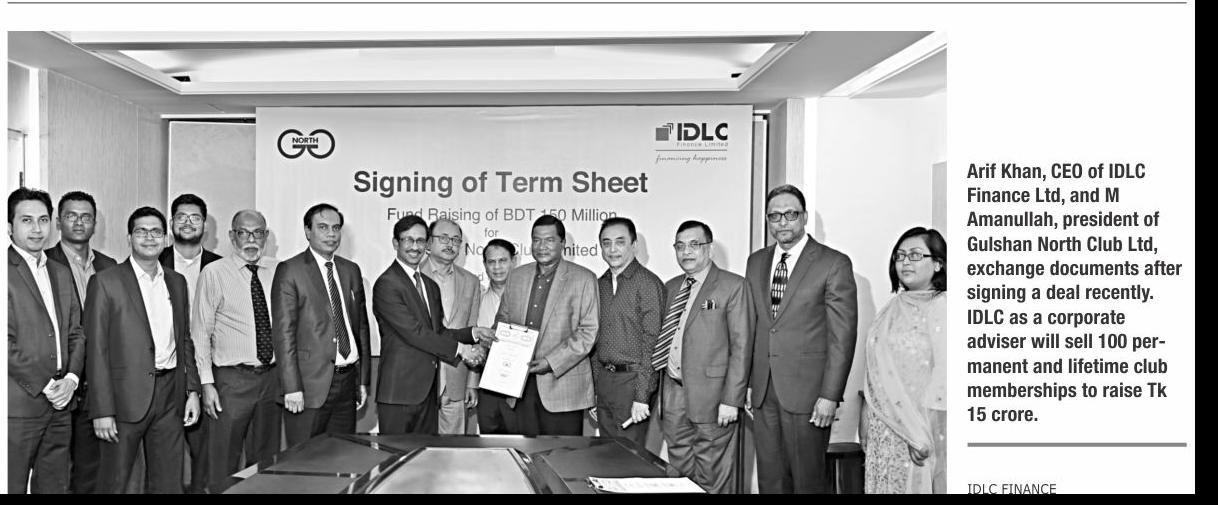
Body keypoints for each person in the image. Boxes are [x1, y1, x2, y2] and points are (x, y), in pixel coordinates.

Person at [747, 184, 858, 494]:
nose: (782, 222)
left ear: (805, 217)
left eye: (790, 214)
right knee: (770, 481)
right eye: (774, 216)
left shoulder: (832, 263)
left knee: (808, 483)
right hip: (764, 392)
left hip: (809, 396)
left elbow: (842, 337)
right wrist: (750, 383)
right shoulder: (756, 262)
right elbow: (755, 326)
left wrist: (830, 396)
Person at [85, 206, 201, 493]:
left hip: (170, 394)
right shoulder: (105, 282)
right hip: (123, 399)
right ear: (129, 238)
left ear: (166, 238)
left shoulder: (176, 281)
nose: (149, 238)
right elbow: (96, 350)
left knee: (168, 482)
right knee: (116, 482)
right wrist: (102, 410)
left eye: (156, 232)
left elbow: (184, 340)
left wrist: (192, 391)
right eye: (141, 231)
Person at [652, 220, 752, 493]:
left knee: (712, 475)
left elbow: (742, 347)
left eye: (694, 245)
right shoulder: (671, 287)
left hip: (714, 398)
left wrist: (731, 400)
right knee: (678, 473)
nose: (686, 251)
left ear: (710, 249)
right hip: (673, 392)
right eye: (680, 246)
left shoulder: (733, 286)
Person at [373, 215, 490, 435]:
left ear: (426, 244)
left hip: (427, 393)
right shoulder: (387, 284)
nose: (415, 247)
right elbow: (415, 333)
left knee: (427, 453)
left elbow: (439, 331)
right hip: (399, 392)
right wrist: (461, 349)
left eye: (420, 240)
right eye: (408, 240)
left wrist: (472, 333)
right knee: (397, 454)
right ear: (396, 243)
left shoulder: (428, 285)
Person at [191, 210, 282, 492]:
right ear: (232, 236)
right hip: (231, 380)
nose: (251, 240)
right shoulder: (214, 273)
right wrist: (206, 383)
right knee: (223, 460)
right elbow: (200, 332)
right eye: (244, 233)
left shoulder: (279, 271)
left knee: (265, 460)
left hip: (272, 378)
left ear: (266, 236)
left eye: (258, 233)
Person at [271, 203, 371, 448]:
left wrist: (362, 380)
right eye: (323, 227)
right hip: (308, 387)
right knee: (304, 459)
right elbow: (284, 334)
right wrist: (291, 387)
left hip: (347, 382)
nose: (331, 234)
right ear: (308, 231)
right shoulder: (290, 270)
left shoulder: (351, 270)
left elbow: (360, 327)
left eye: (336, 228)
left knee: (342, 456)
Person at [8, 187, 86, 493]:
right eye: (26, 220)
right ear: (10, 225)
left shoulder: (60, 271)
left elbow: (76, 332)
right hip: (18, 407)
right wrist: (47, 385)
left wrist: (71, 379)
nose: (37, 229)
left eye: (43, 220)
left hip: (61, 405)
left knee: (55, 486)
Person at [493, 214, 598, 436]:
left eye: (549, 240)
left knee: (563, 453)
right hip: (519, 384)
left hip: (563, 386)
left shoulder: (583, 279)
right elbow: (502, 320)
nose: (542, 246)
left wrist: (551, 362)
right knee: (525, 451)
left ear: (563, 243)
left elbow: (588, 332)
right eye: (536, 240)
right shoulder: (517, 276)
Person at [860, 227, 947, 494]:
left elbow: (944, 376)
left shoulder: (943, 306)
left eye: (915, 255)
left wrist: (920, 433)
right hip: (884, 429)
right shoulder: (891, 308)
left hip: (921, 432)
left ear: (937, 263)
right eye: (900, 256)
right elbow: (875, 371)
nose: (905, 262)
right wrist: (866, 416)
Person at [44, 190, 118, 494]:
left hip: (99, 383)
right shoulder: (45, 263)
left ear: (94, 223)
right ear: (58, 222)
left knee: (92, 469)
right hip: (59, 384)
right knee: (56, 469)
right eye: (71, 216)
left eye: (86, 217)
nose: (78, 222)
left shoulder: (109, 265)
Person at [158, 193, 221, 493]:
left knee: (205, 451)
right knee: (162, 452)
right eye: (181, 216)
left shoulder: (221, 266)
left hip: (211, 370)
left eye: (195, 217)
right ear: (172, 223)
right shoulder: (152, 261)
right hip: (165, 370)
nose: (188, 222)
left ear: (205, 225)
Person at [591, 217, 665, 448]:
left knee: (629, 457)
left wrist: (642, 396)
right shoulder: (599, 285)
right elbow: (594, 339)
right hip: (605, 382)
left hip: (633, 383)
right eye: (606, 243)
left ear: (634, 245)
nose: (612, 249)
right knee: (605, 454)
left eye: (620, 242)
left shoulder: (648, 283)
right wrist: (595, 390)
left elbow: (653, 343)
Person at [418, 218, 483, 434]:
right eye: (444, 238)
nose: (450, 244)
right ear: (429, 243)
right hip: (419, 380)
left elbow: (473, 333)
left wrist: (472, 382)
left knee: (454, 450)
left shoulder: (471, 282)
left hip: (456, 379)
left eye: (456, 240)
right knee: (416, 447)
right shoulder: (412, 276)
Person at [473, 238, 519, 434]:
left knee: (522, 443)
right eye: (491, 262)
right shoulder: (477, 301)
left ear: (514, 261)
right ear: (484, 265)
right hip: (487, 385)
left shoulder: (527, 300)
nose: (497, 267)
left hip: (520, 386)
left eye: (503, 261)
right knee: (490, 443)